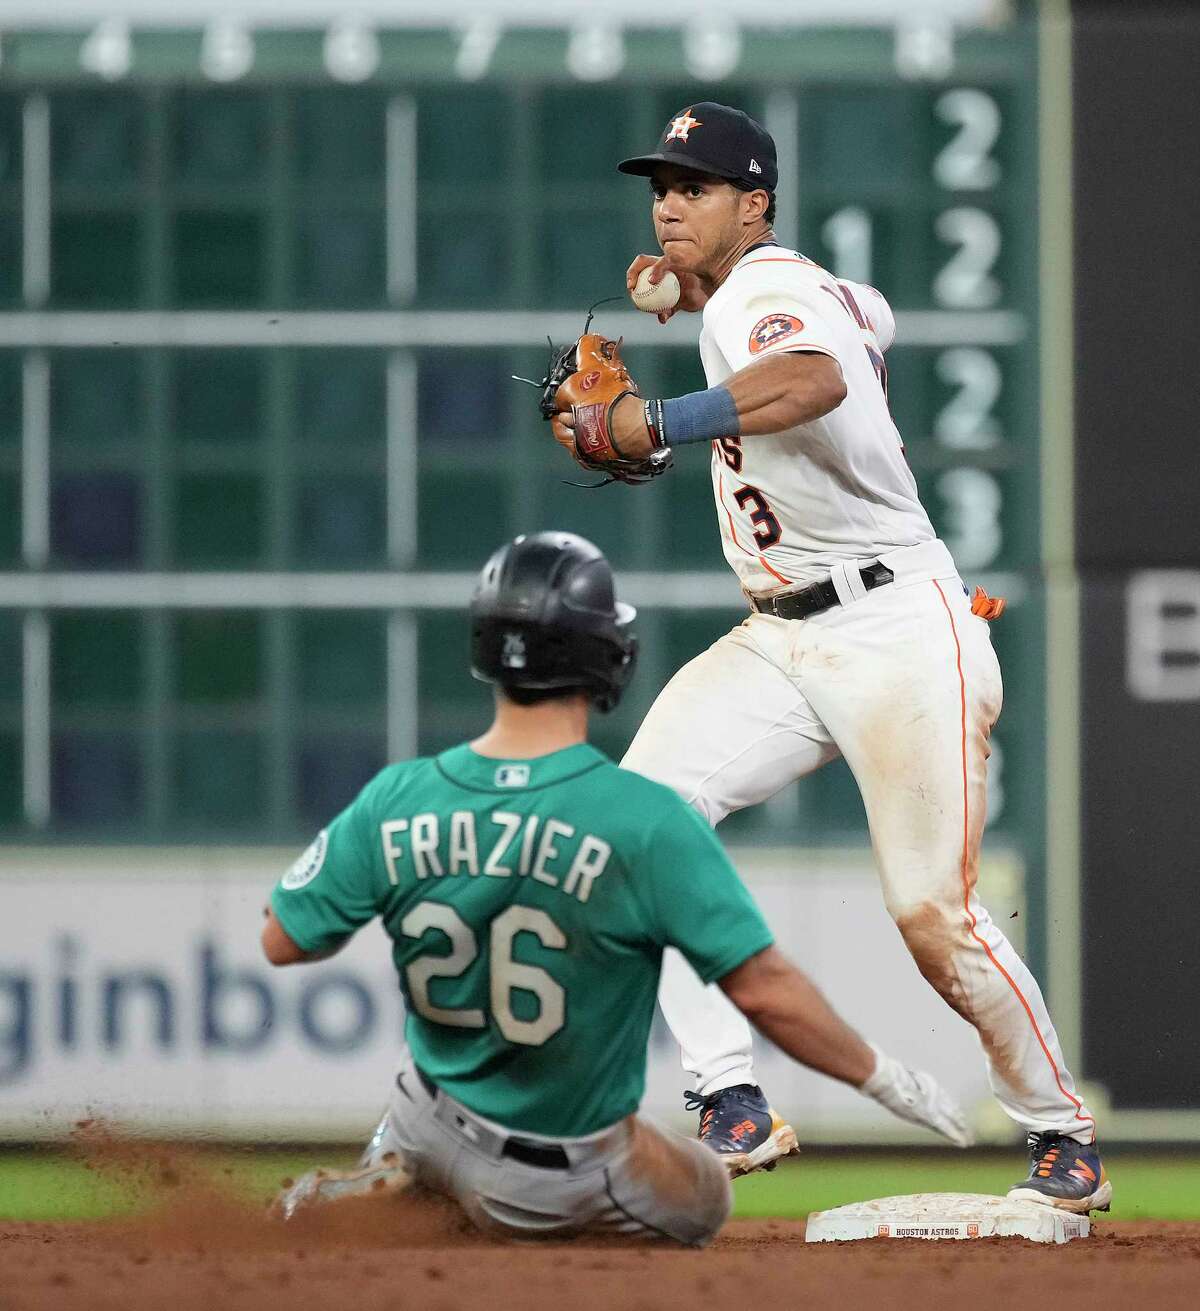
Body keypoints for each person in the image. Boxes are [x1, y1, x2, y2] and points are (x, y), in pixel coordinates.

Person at [550, 102, 1109, 1214]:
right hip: (783, 636)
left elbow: (816, 378)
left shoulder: (770, 293)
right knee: (637, 825)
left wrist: (658, 417)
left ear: (752, 204)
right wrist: (704, 300)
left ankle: (1063, 1136)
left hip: (899, 630)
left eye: (696, 187)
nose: (667, 202)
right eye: (661, 185)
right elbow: (873, 318)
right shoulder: (776, 290)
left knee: (929, 914)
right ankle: (728, 1100)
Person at [262, 531, 968, 1244]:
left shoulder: (398, 794)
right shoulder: (643, 815)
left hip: (420, 1116)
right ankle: (493, 1209)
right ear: (604, 654)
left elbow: (281, 938)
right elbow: (764, 989)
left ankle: (394, 1181)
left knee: (438, 1115)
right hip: (551, 1171)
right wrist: (880, 1077)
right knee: (699, 1195)